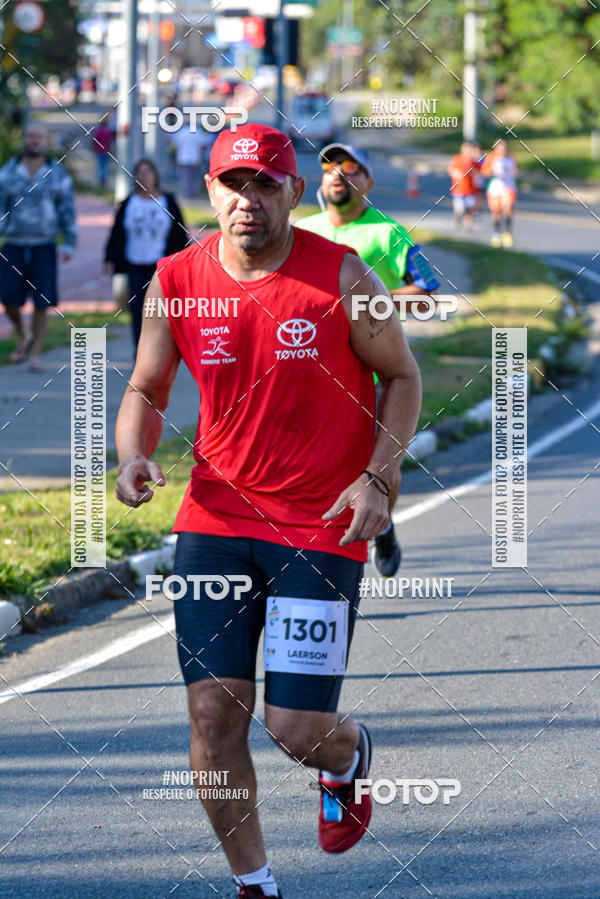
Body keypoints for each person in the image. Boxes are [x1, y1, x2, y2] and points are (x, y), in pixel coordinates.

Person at [114, 123, 422, 898]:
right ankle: (255, 883)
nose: (246, 200)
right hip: (215, 522)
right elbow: (147, 388)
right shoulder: (175, 279)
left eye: (264, 185)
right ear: (210, 191)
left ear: (292, 193)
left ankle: (346, 759)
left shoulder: (345, 276)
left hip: (322, 527)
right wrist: (134, 452)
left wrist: (377, 479)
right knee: (214, 718)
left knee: (294, 730)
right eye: (232, 184)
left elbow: (404, 378)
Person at [296, 143, 439, 577]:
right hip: (313, 364)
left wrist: (369, 300)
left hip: (376, 369)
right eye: (330, 169)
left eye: (351, 170)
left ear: (368, 183)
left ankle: (384, 523)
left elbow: (429, 292)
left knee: (378, 456)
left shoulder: (387, 233)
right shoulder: (306, 229)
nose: (338, 175)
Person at [0, 123, 77, 372]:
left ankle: (35, 354)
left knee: (43, 302)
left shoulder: (57, 174)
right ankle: (22, 333)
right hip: (14, 243)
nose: (34, 141)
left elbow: (67, 209)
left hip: (44, 244)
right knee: (8, 296)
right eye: (30, 136)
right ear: (24, 139)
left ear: (46, 141)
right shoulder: (8, 173)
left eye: (39, 137)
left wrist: (69, 243)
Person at [104, 158, 188, 353]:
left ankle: (159, 352)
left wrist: (183, 263)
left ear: (155, 175)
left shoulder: (168, 202)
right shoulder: (128, 203)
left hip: (160, 266)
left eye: (147, 172)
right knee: (137, 311)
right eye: (139, 173)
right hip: (134, 263)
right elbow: (116, 233)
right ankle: (139, 352)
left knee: (159, 311)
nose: (143, 176)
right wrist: (110, 258)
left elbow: (180, 234)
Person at [481, 138, 518, 248]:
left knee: (508, 209)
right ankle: (496, 233)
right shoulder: (491, 157)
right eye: (499, 148)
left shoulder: (511, 158)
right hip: (495, 188)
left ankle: (507, 232)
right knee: (496, 212)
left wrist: (514, 172)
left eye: (504, 147)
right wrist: (492, 172)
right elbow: (484, 172)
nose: (502, 150)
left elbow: (517, 170)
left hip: (508, 188)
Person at [169, 122, 206, 198]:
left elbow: (174, 144)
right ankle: (193, 194)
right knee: (194, 178)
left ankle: (186, 194)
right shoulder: (197, 131)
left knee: (184, 177)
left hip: (183, 158)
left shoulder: (181, 132)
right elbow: (204, 144)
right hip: (195, 158)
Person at [447, 142, 476, 231]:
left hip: (470, 189)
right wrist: (455, 172)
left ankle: (468, 226)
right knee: (460, 209)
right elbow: (450, 169)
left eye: (469, 150)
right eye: (466, 149)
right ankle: (457, 219)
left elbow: (480, 170)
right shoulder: (457, 159)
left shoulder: (473, 161)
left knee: (469, 209)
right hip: (459, 190)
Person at [91, 114, 114, 188]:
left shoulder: (98, 131)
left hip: (99, 150)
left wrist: (94, 148)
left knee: (100, 165)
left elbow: (94, 140)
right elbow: (110, 141)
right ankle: (104, 179)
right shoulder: (107, 131)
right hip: (106, 150)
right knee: (105, 165)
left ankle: (101, 179)